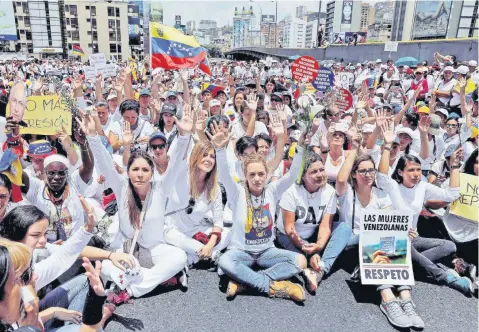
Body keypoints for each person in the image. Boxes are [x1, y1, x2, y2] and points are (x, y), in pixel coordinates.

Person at [85, 104, 194, 304]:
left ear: (152, 173)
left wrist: (185, 135)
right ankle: (158, 279)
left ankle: (133, 289)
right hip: (127, 249)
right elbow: (105, 163)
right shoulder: (121, 186)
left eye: (145, 170)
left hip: (154, 248)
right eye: (135, 169)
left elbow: (177, 160)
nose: (140, 174)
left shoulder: (161, 187)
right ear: (128, 171)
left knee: (179, 257)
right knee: (107, 266)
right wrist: (93, 137)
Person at [209, 120, 308, 302]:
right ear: (245, 175)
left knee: (301, 261)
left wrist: (300, 147)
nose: (256, 179)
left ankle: (245, 282)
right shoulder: (237, 191)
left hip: (266, 252)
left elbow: (292, 175)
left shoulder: (272, 190)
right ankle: (276, 288)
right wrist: (219, 150)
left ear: (267, 175)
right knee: (224, 262)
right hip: (241, 252)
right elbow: (223, 173)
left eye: (261, 174)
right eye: (252, 175)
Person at [335, 132, 425, 329]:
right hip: (352, 245)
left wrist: (402, 231)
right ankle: (387, 299)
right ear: (354, 174)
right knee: (376, 237)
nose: (368, 175)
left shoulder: (381, 194)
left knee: (388, 237)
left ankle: (405, 297)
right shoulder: (347, 194)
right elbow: (341, 180)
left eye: (371, 171)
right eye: (363, 171)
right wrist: (353, 147)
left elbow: (389, 222)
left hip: (376, 245)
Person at [377, 120, 474, 296]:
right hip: (394, 238)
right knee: (407, 248)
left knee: (449, 246)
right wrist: (387, 145)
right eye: (411, 170)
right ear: (400, 172)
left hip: (414, 238)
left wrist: (454, 166)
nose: (416, 174)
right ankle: (448, 278)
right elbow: (381, 177)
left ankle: (409, 265)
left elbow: (451, 194)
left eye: (419, 170)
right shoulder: (391, 186)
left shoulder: (422, 186)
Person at [276, 152, 350, 293]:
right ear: (303, 176)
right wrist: (308, 250)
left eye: (321, 170)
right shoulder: (292, 192)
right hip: (287, 236)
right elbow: (289, 228)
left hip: (312, 234)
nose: (320, 174)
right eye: (314, 172)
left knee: (344, 228)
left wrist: (319, 246)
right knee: (300, 260)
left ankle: (320, 269)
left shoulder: (329, 192)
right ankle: (309, 264)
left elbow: (325, 225)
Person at [164, 140, 231, 267]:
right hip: (173, 230)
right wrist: (186, 134)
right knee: (173, 236)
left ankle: (193, 258)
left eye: (212, 156)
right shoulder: (181, 175)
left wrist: (210, 244)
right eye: (204, 154)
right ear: (196, 155)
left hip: (195, 231)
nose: (208, 159)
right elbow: (179, 154)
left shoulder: (215, 188)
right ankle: (211, 255)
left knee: (228, 233)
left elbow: (218, 220)